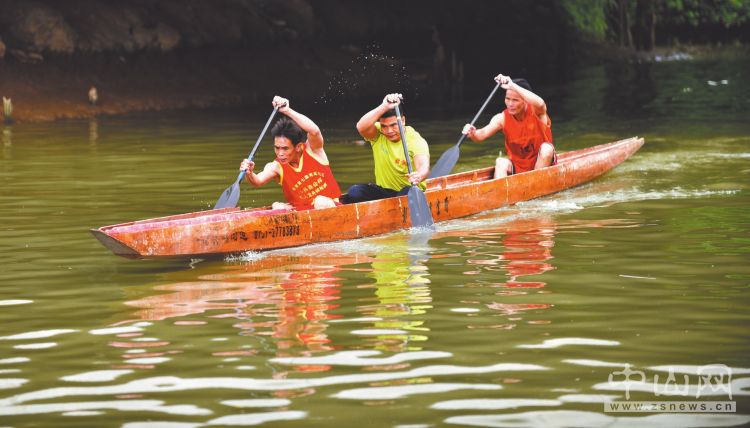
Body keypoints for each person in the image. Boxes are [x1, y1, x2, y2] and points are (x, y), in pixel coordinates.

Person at [240, 96, 342, 211]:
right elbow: (257, 181)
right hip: (301, 218)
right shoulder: (276, 167)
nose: (280, 153)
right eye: (277, 148)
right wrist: (249, 173)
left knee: (320, 201)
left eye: (285, 148)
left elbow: (314, 131)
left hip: (333, 209)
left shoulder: (313, 150)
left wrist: (287, 111)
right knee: (277, 206)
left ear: (298, 147)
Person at [340, 93, 430, 204]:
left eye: (393, 125)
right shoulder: (378, 134)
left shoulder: (415, 140)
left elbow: (423, 167)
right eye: (384, 126)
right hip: (384, 192)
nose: (389, 131)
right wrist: (384, 106)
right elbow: (360, 127)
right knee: (354, 192)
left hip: (410, 191)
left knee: (405, 194)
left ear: (403, 120)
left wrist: (419, 175)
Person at [462, 74, 555, 178]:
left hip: (542, 164)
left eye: (515, 100)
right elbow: (481, 135)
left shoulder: (537, 111)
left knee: (547, 149)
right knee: (500, 161)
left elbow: (541, 103)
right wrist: (472, 133)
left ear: (525, 101)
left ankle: (535, 184)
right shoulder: (502, 118)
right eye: (507, 98)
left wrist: (512, 85)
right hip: (518, 166)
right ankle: (501, 191)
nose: (510, 104)